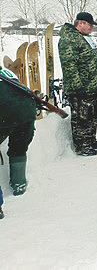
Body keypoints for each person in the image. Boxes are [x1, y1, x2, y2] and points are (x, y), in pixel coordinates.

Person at [58, 12, 97, 156]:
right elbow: (69, 64)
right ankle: (82, 146)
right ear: (80, 23)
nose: (92, 27)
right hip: (82, 88)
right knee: (82, 117)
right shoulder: (70, 38)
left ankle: (90, 140)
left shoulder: (84, 38)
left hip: (93, 85)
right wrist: (76, 86)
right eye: (89, 24)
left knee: (93, 116)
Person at [0, 66, 38, 219]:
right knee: (18, 148)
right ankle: (19, 183)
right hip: (27, 110)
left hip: (4, 112)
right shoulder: (5, 72)